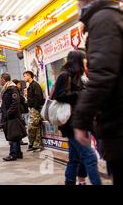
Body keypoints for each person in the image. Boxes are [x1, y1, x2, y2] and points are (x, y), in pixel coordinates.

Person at [71, 0, 123, 186]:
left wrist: (81, 120)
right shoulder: (113, 17)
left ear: (86, 1)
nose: (77, 9)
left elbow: (102, 75)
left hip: (119, 125)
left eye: (78, 3)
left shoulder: (103, 21)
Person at [52, 50, 101, 185]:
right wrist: (79, 95)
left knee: (75, 158)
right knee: (90, 157)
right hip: (70, 124)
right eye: (84, 59)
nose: (86, 61)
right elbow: (58, 95)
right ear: (78, 60)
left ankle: (71, 181)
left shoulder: (81, 77)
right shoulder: (64, 76)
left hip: (83, 121)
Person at [0, 73, 25, 161]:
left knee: (12, 135)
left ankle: (13, 154)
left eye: (0, 79)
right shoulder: (7, 88)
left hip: (12, 116)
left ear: (3, 79)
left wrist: (8, 113)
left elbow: (16, 102)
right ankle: (18, 153)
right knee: (15, 135)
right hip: (10, 115)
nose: (0, 81)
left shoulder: (12, 88)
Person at [24, 70, 45, 152]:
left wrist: (35, 107)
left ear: (29, 76)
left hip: (35, 109)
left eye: (25, 76)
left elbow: (38, 97)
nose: (24, 77)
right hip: (32, 108)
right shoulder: (30, 85)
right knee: (36, 127)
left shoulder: (35, 85)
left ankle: (32, 143)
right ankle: (35, 144)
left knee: (31, 127)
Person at [13, 79, 29, 146]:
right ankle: (19, 140)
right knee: (20, 126)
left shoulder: (18, 91)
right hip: (18, 112)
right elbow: (21, 100)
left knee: (21, 126)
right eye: (19, 84)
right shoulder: (15, 91)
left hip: (20, 111)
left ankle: (20, 140)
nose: (20, 85)